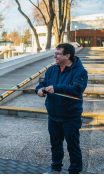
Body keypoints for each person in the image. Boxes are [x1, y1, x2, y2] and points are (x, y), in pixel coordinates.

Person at [36, 43, 88, 174]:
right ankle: (55, 169)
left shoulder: (80, 71)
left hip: (70, 117)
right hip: (53, 116)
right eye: (55, 53)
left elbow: (77, 89)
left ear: (67, 56)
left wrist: (57, 88)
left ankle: (74, 172)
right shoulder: (52, 70)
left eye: (57, 54)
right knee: (55, 145)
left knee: (73, 147)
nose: (54, 56)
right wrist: (39, 90)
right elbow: (43, 84)